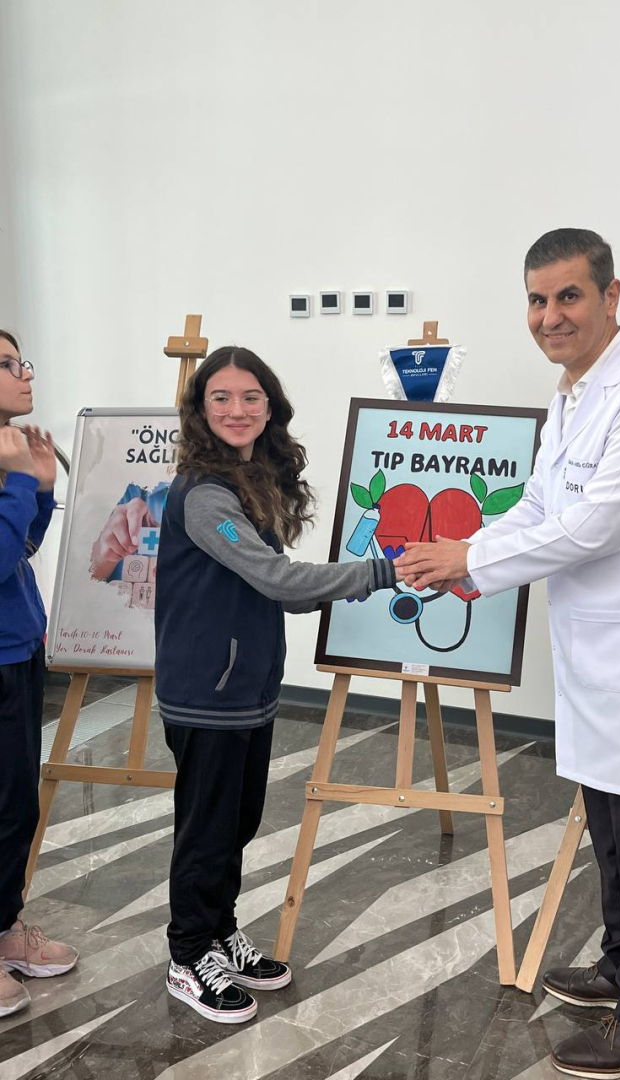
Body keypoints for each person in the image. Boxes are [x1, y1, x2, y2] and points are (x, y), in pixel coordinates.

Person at [395, 230, 620, 1078]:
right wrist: (469, 552)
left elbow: (594, 526)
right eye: (538, 300)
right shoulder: (572, 395)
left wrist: (470, 561)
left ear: (611, 296)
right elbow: (540, 507)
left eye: (569, 296)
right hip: (594, 648)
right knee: (610, 827)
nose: (551, 316)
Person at [155, 346, 400, 1024]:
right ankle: (187, 956)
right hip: (205, 692)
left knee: (237, 823)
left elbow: (271, 585)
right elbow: (279, 583)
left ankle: (218, 933)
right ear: (201, 410)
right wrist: (382, 572)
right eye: (221, 398)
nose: (237, 410)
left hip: (246, 688)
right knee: (206, 830)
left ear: (270, 408)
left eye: (251, 397)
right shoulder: (205, 495)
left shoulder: (246, 480)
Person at [0, 329, 78, 1018]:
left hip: (20, 651)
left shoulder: (9, 452)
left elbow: (19, 549)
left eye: (20, 361)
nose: (25, 375)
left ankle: (5, 928)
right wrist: (23, 479)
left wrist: (42, 488)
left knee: (17, 804)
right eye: (6, 365)